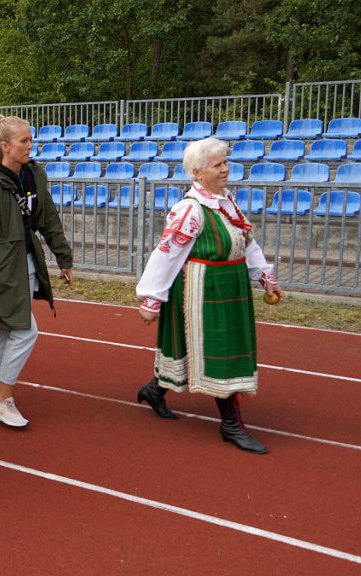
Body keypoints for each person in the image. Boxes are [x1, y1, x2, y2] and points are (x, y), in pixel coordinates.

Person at [135, 137, 285, 454]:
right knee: (219, 351)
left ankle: (154, 390)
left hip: (230, 285)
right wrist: (151, 298)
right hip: (200, 290)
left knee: (199, 349)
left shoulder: (227, 202)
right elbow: (166, 254)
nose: (225, 169)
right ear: (197, 172)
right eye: (218, 165)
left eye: (225, 163)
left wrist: (264, 276)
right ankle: (231, 424)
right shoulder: (189, 210)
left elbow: (247, 243)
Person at [0, 115, 74, 428]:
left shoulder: (32, 175)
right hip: (2, 271)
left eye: (30, 139)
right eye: (24, 141)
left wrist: (63, 257)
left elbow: (47, 216)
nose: (30, 145)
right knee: (26, 332)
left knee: (10, 331)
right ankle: (3, 399)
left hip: (25, 262)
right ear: (4, 146)